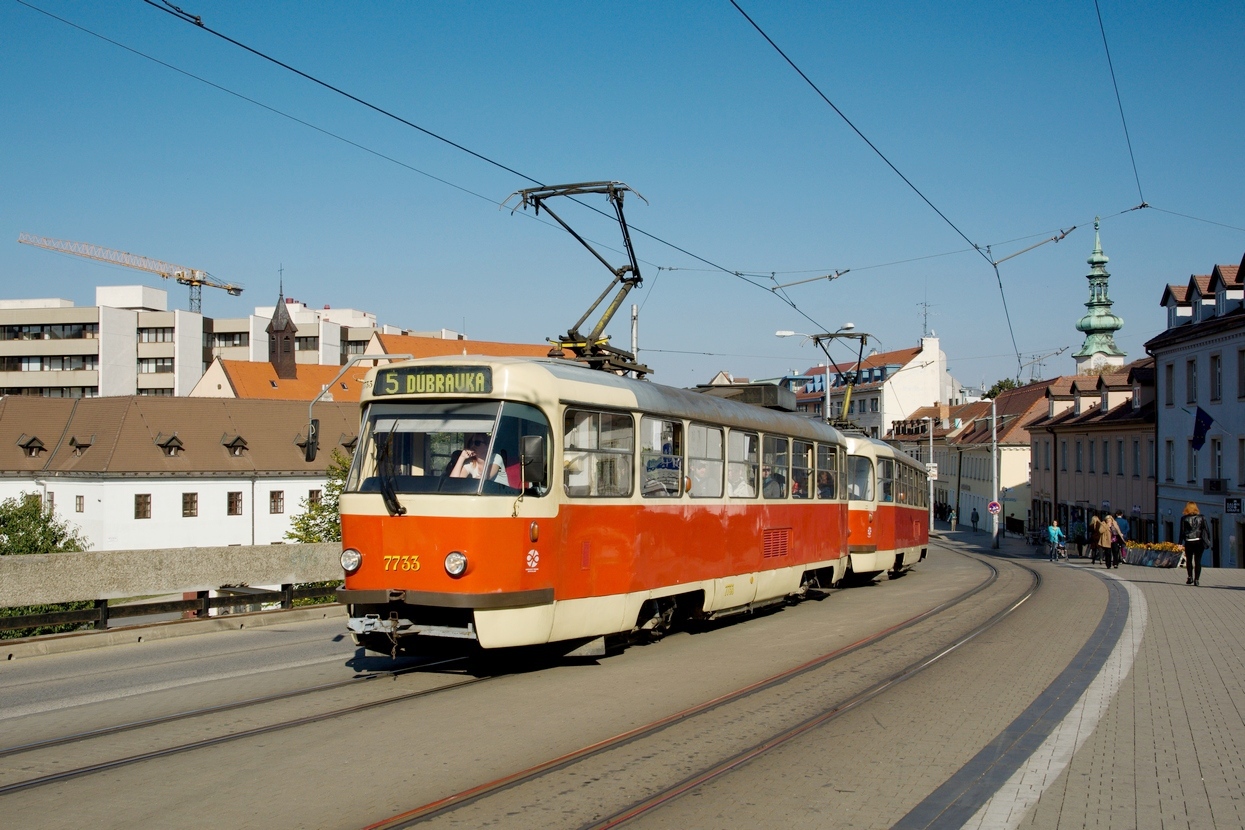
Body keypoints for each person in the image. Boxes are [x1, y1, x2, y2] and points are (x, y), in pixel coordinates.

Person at [1180, 502, 1210, 586]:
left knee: (1189, 560)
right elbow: (1206, 529)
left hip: (1189, 541)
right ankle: (1197, 580)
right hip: (1199, 541)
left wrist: (1180, 543)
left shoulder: (1184, 518)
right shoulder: (1202, 517)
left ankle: (1190, 577)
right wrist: (1208, 539)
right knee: (1198, 561)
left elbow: (1182, 532)